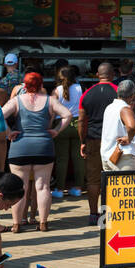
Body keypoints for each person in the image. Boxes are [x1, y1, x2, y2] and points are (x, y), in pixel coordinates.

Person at [2, 71, 72, 233]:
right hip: (44, 147)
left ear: (24, 85)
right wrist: (56, 130)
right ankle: (43, 223)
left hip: (20, 148)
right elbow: (67, 115)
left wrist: (8, 132)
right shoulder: (49, 101)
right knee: (43, 187)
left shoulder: (17, 100)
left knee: (20, 187)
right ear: (41, 84)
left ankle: (16, 224)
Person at [78, 63, 118, 225]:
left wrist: (82, 141)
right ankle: (109, 215)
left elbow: (81, 120)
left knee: (93, 180)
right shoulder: (117, 91)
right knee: (113, 178)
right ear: (113, 74)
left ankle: (93, 214)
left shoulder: (87, 94)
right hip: (114, 141)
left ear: (97, 74)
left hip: (93, 139)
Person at [51, 65, 83, 199]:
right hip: (77, 124)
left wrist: (50, 126)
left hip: (61, 124)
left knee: (61, 159)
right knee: (79, 158)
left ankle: (59, 189)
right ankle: (78, 188)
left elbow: (52, 111)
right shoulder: (80, 88)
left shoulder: (56, 91)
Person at [100, 79, 135, 173]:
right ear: (133, 95)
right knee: (129, 188)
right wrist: (129, 138)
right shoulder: (124, 109)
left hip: (107, 156)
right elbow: (132, 127)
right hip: (123, 158)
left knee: (111, 187)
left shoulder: (109, 107)